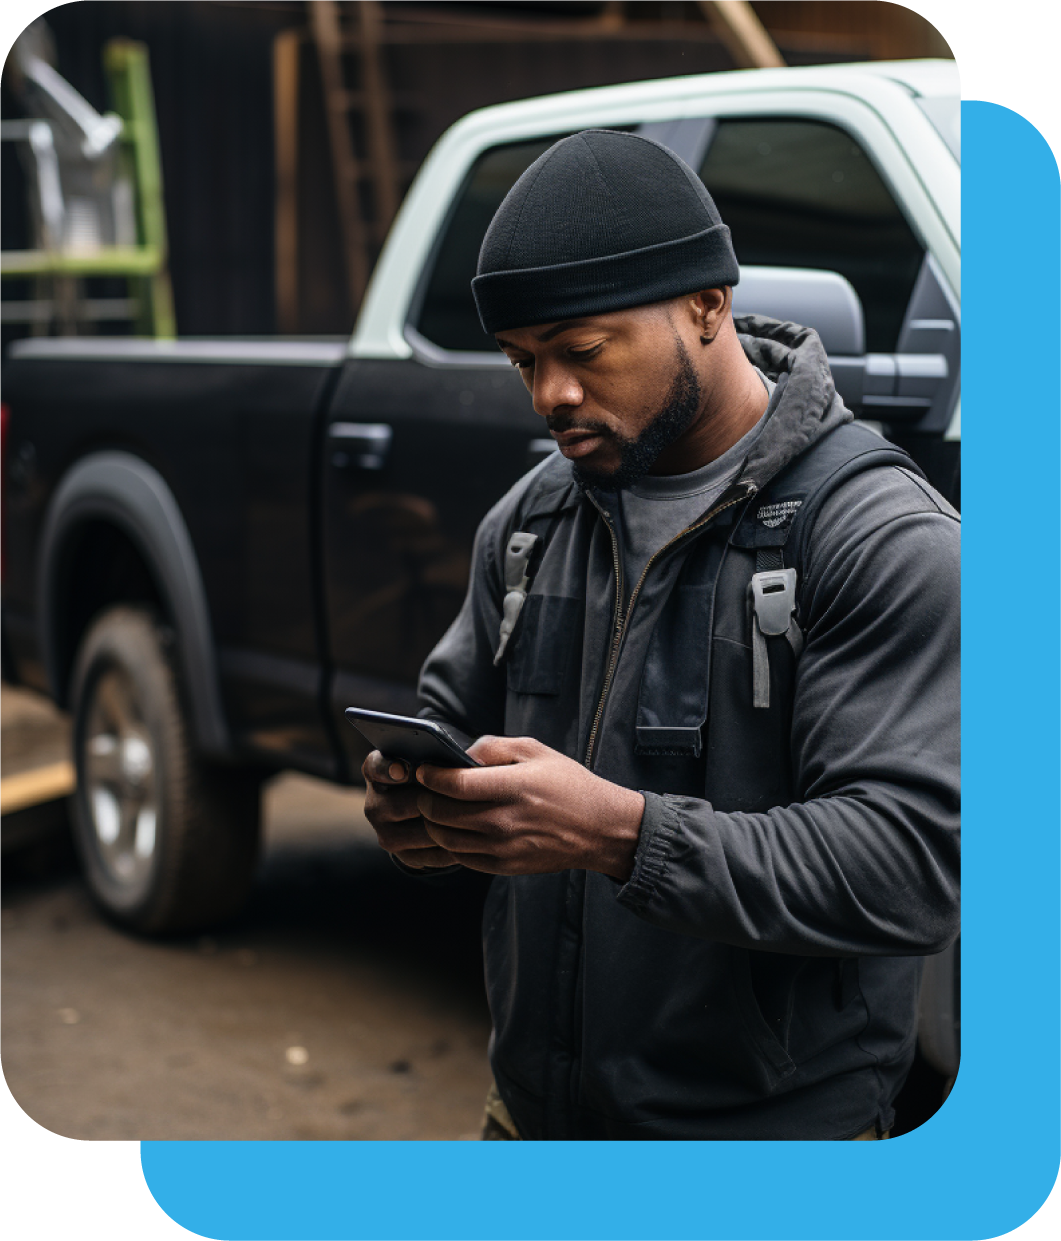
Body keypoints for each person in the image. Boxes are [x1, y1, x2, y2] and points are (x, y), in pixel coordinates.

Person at [362, 130, 960, 1141]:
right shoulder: (530, 520)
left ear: (705, 306)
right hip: (532, 1121)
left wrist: (618, 831)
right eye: (522, 360)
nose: (550, 394)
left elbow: (907, 869)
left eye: (582, 350)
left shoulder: (880, 539)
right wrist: (422, 810)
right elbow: (447, 721)